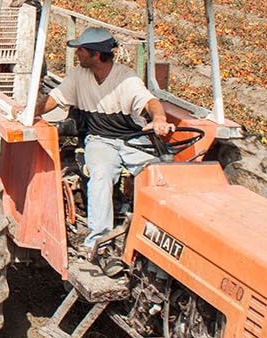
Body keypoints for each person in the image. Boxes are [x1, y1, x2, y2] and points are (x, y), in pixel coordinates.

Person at [34, 27, 173, 255]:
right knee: (100, 174)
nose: (77, 53)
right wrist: (30, 113)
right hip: (100, 140)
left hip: (132, 139)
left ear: (96, 55)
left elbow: (151, 103)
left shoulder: (125, 79)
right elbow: (55, 99)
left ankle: (157, 236)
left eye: (81, 50)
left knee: (158, 174)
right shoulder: (80, 75)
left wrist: (158, 118)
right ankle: (98, 242)